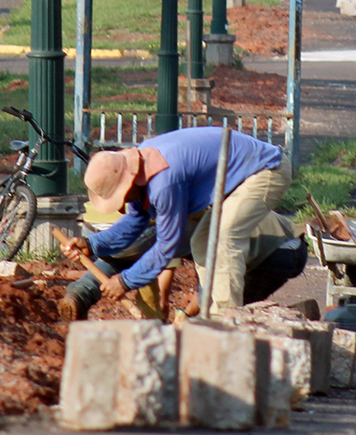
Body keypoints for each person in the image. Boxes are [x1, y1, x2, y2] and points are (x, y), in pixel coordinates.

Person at [69, 126, 291, 316]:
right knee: (203, 242)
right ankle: (211, 314)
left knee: (223, 237)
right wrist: (91, 244)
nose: (123, 202)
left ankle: (226, 320)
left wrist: (124, 281)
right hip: (242, 172)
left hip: (267, 169)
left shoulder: (164, 182)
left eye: (122, 196)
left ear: (128, 183)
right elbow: (135, 221)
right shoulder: (140, 167)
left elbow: (166, 246)